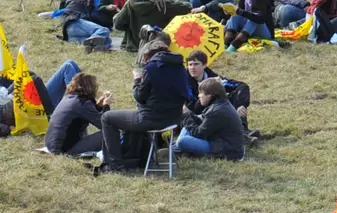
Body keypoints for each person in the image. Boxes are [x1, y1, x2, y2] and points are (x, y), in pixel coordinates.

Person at [100, 37, 191, 172]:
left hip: (151, 119)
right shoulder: (180, 67)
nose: (145, 60)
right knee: (134, 115)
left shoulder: (152, 68)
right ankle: (142, 160)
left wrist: (137, 80)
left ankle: (115, 165)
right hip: (174, 119)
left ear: (149, 54)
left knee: (107, 118)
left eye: (145, 57)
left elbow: (139, 97)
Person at [174, 75, 248, 161]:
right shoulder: (220, 104)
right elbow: (202, 124)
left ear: (210, 95)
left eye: (201, 93)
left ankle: (176, 149)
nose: (198, 96)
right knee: (187, 129)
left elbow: (199, 133)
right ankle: (178, 148)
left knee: (182, 141)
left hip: (227, 150)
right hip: (221, 143)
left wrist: (186, 116)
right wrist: (189, 115)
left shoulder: (217, 111)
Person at [41, 67, 110, 156]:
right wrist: (106, 106)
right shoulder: (82, 103)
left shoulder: (69, 98)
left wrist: (98, 106)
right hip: (63, 149)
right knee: (110, 132)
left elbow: (85, 115)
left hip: (52, 145)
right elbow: (104, 125)